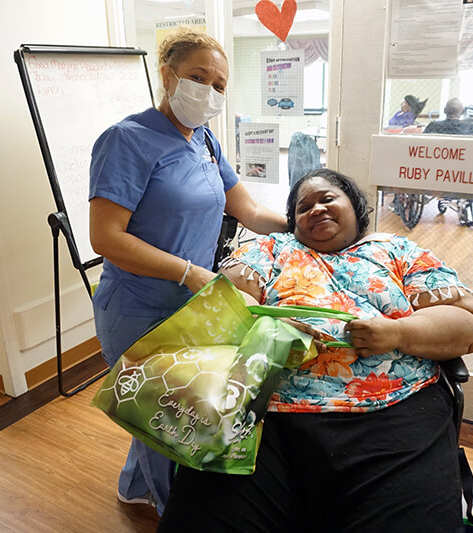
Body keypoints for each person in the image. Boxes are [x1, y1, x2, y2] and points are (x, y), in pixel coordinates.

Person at [158, 168, 473, 532]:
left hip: (392, 412)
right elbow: (219, 309)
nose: (316, 209)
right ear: (293, 223)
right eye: (303, 207)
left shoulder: (397, 251)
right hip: (265, 414)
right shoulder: (269, 251)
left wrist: (398, 332)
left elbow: (467, 325)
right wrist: (265, 326)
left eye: (328, 199)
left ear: (356, 207)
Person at [88, 28, 288, 516]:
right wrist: (191, 274)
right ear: (167, 74)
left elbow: (249, 211)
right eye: (198, 77)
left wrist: (307, 226)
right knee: (166, 424)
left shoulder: (205, 141)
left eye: (219, 84)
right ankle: (170, 512)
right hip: (137, 308)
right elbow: (106, 238)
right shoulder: (126, 141)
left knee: (170, 414)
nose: (209, 91)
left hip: (190, 306)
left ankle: (135, 486)